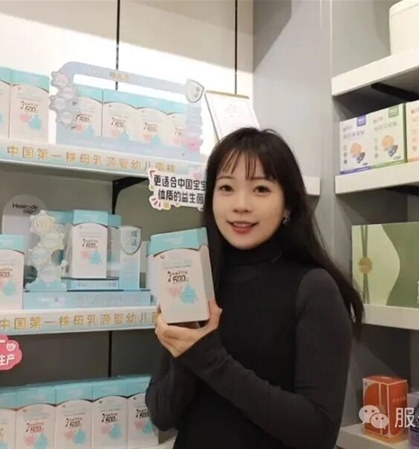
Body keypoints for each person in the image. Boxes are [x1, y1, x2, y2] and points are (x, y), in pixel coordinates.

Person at [145, 127, 364, 449]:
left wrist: (209, 358)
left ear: (288, 204)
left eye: (261, 189)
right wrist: (186, 354)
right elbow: (162, 414)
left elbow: (318, 433)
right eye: (226, 188)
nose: (241, 205)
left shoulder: (314, 289)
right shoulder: (196, 282)